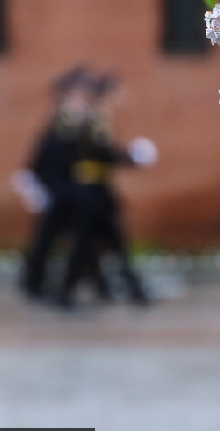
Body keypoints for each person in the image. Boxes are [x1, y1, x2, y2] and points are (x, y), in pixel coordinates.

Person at [56, 73, 156, 310]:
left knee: (112, 241)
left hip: (98, 189)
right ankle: (67, 290)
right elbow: (101, 152)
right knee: (86, 243)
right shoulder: (93, 118)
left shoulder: (95, 118)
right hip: (89, 191)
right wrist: (129, 158)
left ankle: (132, 288)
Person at [16, 67, 112, 301]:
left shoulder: (78, 119)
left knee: (74, 240)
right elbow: (47, 157)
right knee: (51, 239)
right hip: (61, 190)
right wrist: (39, 184)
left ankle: (61, 286)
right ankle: (38, 284)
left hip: (71, 190)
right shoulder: (62, 120)